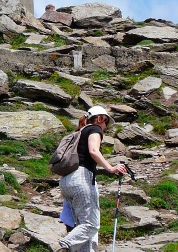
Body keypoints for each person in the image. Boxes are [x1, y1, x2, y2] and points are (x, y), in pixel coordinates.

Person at [53, 105, 126, 252]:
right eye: (105, 122)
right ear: (99, 118)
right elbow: (93, 151)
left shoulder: (79, 132)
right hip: (82, 178)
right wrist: (110, 168)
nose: (105, 127)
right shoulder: (94, 129)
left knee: (83, 227)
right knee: (91, 224)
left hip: (66, 180)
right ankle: (64, 247)